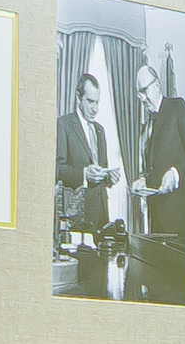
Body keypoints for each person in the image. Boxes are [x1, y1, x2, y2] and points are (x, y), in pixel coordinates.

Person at [54, 49, 135, 298]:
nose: (95, 108)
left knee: (100, 287)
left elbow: (101, 170)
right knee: (78, 289)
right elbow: (57, 169)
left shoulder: (100, 131)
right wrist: (84, 174)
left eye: (98, 102)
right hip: (77, 221)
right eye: (90, 101)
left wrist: (110, 178)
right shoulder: (63, 125)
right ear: (79, 98)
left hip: (101, 220)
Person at [131, 50, 185, 302]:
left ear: (157, 85)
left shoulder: (177, 107)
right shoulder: (148, 124)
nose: (142, 98)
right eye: (138, 93)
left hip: (180, 227)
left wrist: (176, 173)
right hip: (157, 228)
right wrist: (144, 180)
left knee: (179, 293)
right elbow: (157, 167)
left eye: (144, 91)